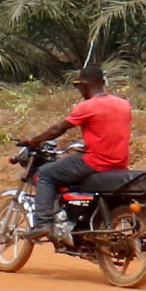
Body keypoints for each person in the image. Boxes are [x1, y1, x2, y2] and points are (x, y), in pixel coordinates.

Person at [22, 63, 134, 229]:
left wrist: (34, 141)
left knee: (45, 174)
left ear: (84, 85)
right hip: (120, 163)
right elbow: (109, 132)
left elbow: (58, 129)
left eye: (78, 86)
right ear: (102, 82)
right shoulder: (123, 104)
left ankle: (43, 224)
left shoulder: (87, 106)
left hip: (96, 162)